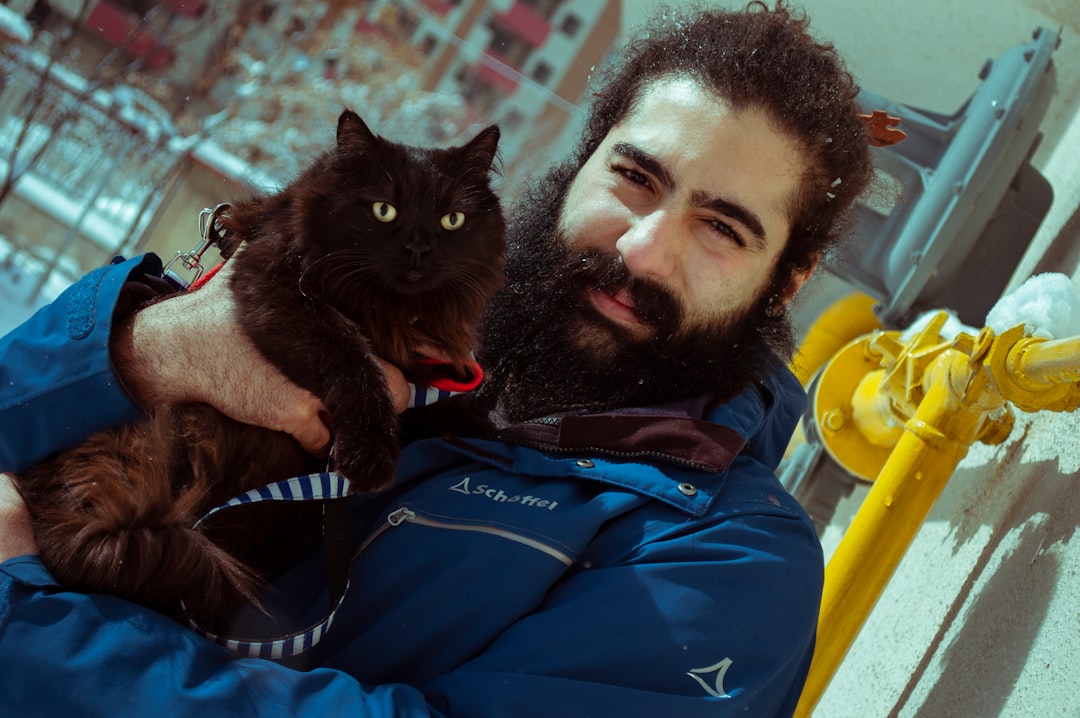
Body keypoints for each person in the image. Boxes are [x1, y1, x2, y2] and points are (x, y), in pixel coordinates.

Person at [0, 2, 873, 715]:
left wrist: (25, 619)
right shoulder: (375, 308)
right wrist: (137, 351)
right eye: (636, 179)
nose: (645, 249)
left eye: (722, 227)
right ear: (578, 166)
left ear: (786, 279)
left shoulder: (725, 564)